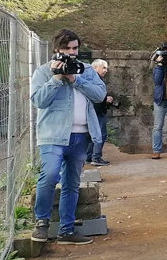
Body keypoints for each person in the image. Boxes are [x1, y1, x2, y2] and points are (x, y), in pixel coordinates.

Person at [29, 29, 106, 245]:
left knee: (71, 183)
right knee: (50, 175)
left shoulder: (86, 70)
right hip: (53, 135)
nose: (71, 53)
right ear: (57, 50)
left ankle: (67, 230)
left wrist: (75, 80)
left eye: (75, 48)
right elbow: (39, 101)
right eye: (66, 49)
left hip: (80, 135)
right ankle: (42, 223)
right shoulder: (44, 71)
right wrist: (56, 78)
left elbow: (100, 95)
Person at [86, 59, 113, 166]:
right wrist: (105, 99)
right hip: (96, 110)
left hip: (94, 109)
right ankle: (96, 157)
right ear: (95, 68)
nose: (106, 70)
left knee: (91, 135)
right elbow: (94, 94)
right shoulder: (95, 79)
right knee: (100, 134)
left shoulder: (92, 78)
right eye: (104, 67)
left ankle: (89, 156)